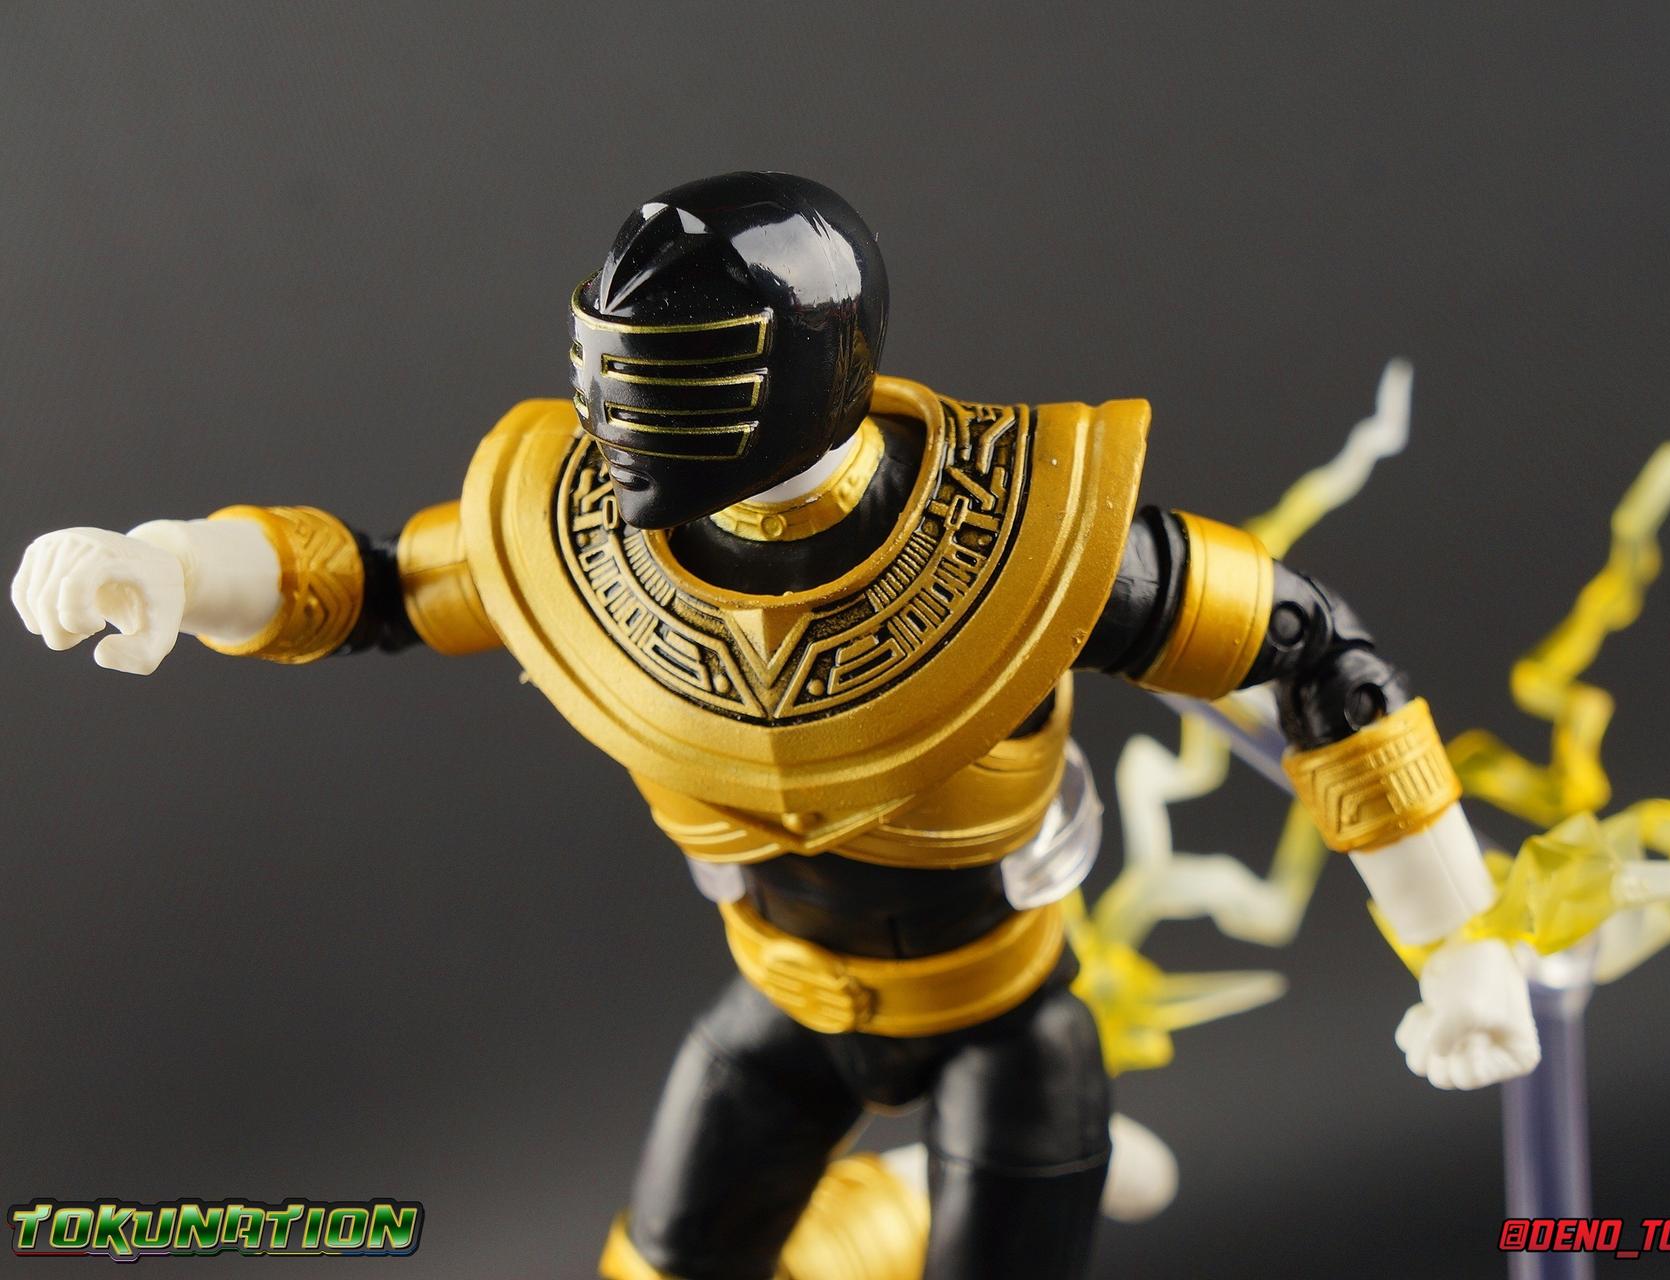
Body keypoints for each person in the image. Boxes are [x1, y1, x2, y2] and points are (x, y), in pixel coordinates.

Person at [11, 171, 1539, 1280]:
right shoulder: (575, 531)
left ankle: (973, 1193)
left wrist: (1459, 943)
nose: (618, 414)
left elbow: (1312, 655)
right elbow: (375, 583)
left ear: (793, 369)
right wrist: (173, 568)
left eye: (669, 374)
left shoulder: (1035, 543)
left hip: (1005, 1017)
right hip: (785, 1003)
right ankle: (907, 1205)